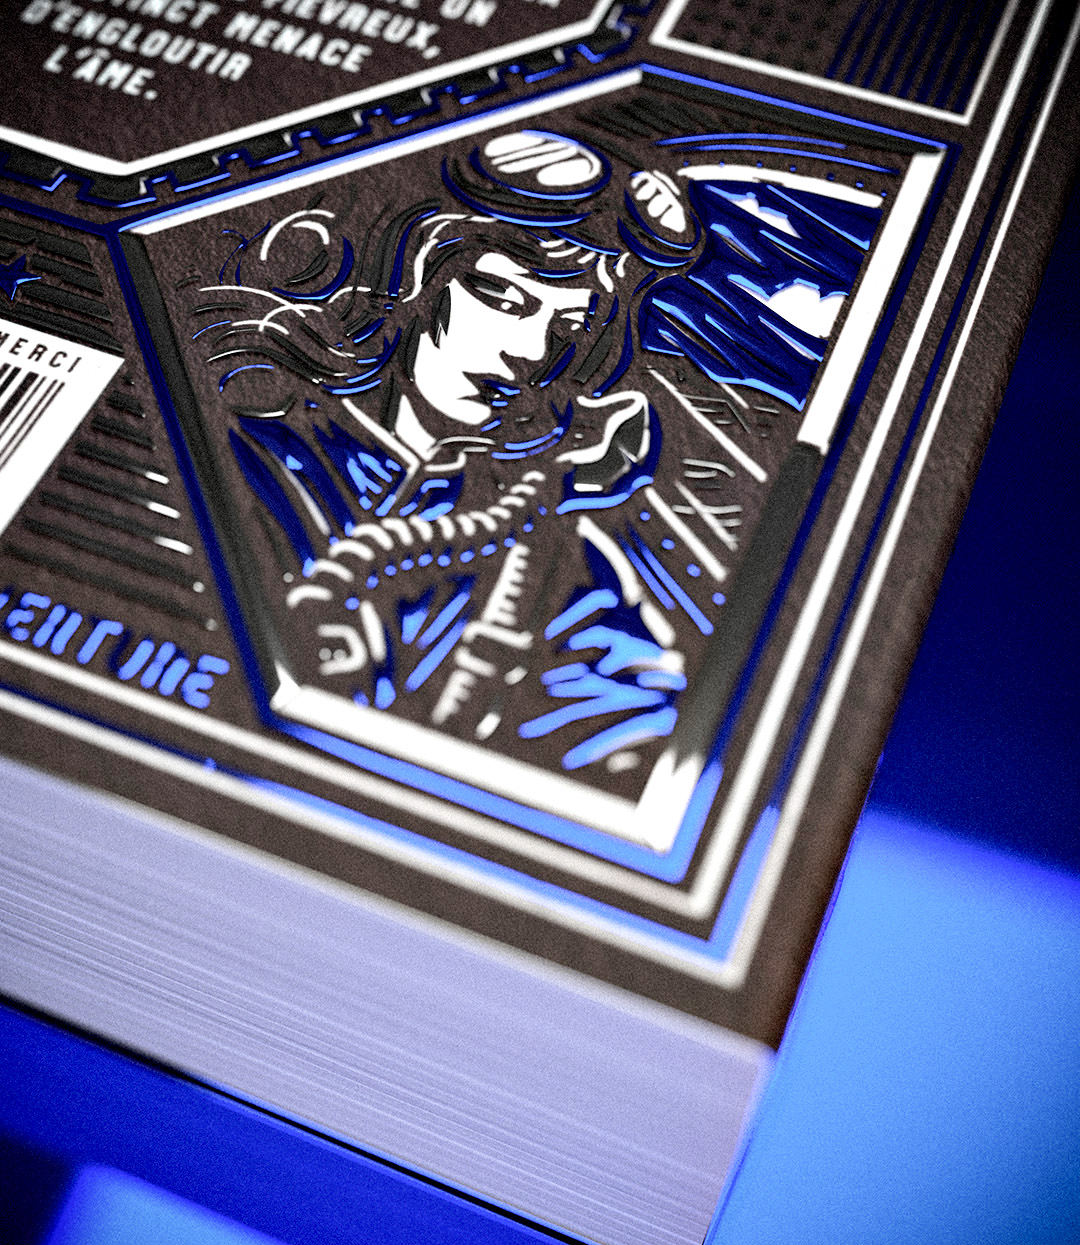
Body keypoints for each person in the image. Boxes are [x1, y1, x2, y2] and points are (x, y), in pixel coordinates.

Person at [190, 127, 882, 776]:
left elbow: (625, 709)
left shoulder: (549, 545)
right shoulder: (264, 453)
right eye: (504, 299)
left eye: (568, 325)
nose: (529, 353)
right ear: (418, 279)